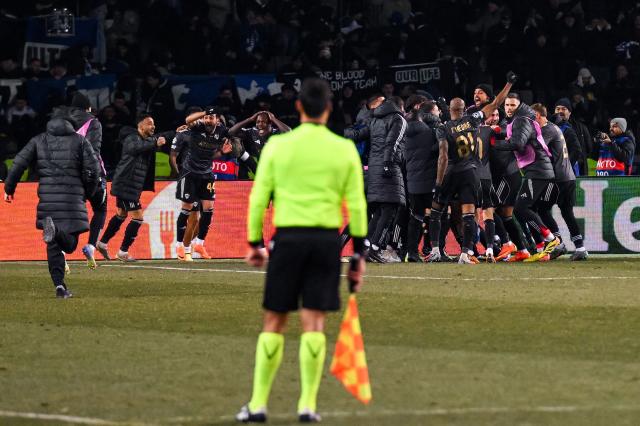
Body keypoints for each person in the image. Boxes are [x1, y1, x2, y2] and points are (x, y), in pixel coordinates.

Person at [236, 78, 367, 423]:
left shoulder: (279, 147)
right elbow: (356, 204)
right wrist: (358, 254)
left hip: (288, 240)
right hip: (325, 242)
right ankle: (307, 406)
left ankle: (258, 405)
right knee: (315, 322)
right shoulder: (344, 149)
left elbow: (259, 197)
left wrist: (253, 243)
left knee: (274, 320)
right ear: (329, 108)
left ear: (298, 108)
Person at [3, 114, 100, 298]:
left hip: (48, 199)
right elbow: (93, 170)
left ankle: (59, 286)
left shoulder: (39, 140)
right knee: (70, 245)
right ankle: (55, 235)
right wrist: (89, 192)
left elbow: (19, 163)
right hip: (72, 199)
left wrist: (9, 187)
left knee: (53, 246)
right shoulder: (80, 141)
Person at [428, 73, 516, 264]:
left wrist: (438, 181)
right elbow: (496, 103)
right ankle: (465, 253)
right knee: (470, 215)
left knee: (437, 211)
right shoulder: (473, 119)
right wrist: (509, 83)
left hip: (451, 172)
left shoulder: (443, 128)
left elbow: (443, 156)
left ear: (450, 110)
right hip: (470, 173)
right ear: (463, 109)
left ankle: (435, 249)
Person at [494, 94, 560, 262]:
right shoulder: (519, 119)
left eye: (512, 105)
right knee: (525, 209)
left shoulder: (521, 119)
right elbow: (513, 135)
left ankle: (551, 240)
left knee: (520, 209)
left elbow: (517, 143)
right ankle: (537, 248)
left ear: (519, 105)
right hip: (537, 169)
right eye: (507, 105)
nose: (508, 108)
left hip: (537, 170)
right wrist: (496, 131)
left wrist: (494, 143)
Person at [96, 113, 166, 261]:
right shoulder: (131, 138)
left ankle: (102, 243)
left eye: (153, 124)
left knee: (121, 214)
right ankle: (123, 251)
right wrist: (155, 143)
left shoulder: (146, 140)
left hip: (130, 185)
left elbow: (158, 138)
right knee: (138, 218)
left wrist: (177, 132)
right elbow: (136, 148)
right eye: (149, 123)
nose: (153, 126)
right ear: (140, 125)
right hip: (126, 184)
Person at [173, 107, 232, 261]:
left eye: (211, 117)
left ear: (217, 121)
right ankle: (181, 247)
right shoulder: (194, 128)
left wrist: (224, 153)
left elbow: (213, 155)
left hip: (206, 175)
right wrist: (205, 112)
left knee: (208, 210)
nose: (207, 120)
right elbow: (187, 122)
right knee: (188, 212)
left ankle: (198, 244)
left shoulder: (220, 133)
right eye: (206, 117)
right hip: (189, 173)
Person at [530, 103, 588, 261]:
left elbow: (534, 148)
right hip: (568, 176)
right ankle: (580, 248)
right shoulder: (555, 128)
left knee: (540, 209)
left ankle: (558, 244)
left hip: (558, 178)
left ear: (538, 116)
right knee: (566, 212)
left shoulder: (547, 130)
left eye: (531, 116)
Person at [60, 93, 107, 269]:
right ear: (88, 107)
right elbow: (92, 150)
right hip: (91, 174)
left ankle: (62, 252)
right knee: (100, 209)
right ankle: (91, 246)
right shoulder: (93, 122)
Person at [404, 101, 441, 262]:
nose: (439, 112)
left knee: (416, 217)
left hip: (413, 181)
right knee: (438, 215)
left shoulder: (407, 130)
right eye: (438, 110)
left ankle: (411, 252)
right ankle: (435, 250)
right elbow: (437, 150)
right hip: (429, 180)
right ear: (432, 113)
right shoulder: (431, 132)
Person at [228, 111, 291, 179]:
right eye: (258, 122)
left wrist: (273, 118)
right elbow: (231, 132)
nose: (260, 124)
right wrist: (250, 119)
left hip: (273, 169)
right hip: (254, 168)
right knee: (235, 143)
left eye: (264, 122)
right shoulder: (252, 132)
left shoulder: (276, 132)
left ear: (270, 123)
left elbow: (289, 132)